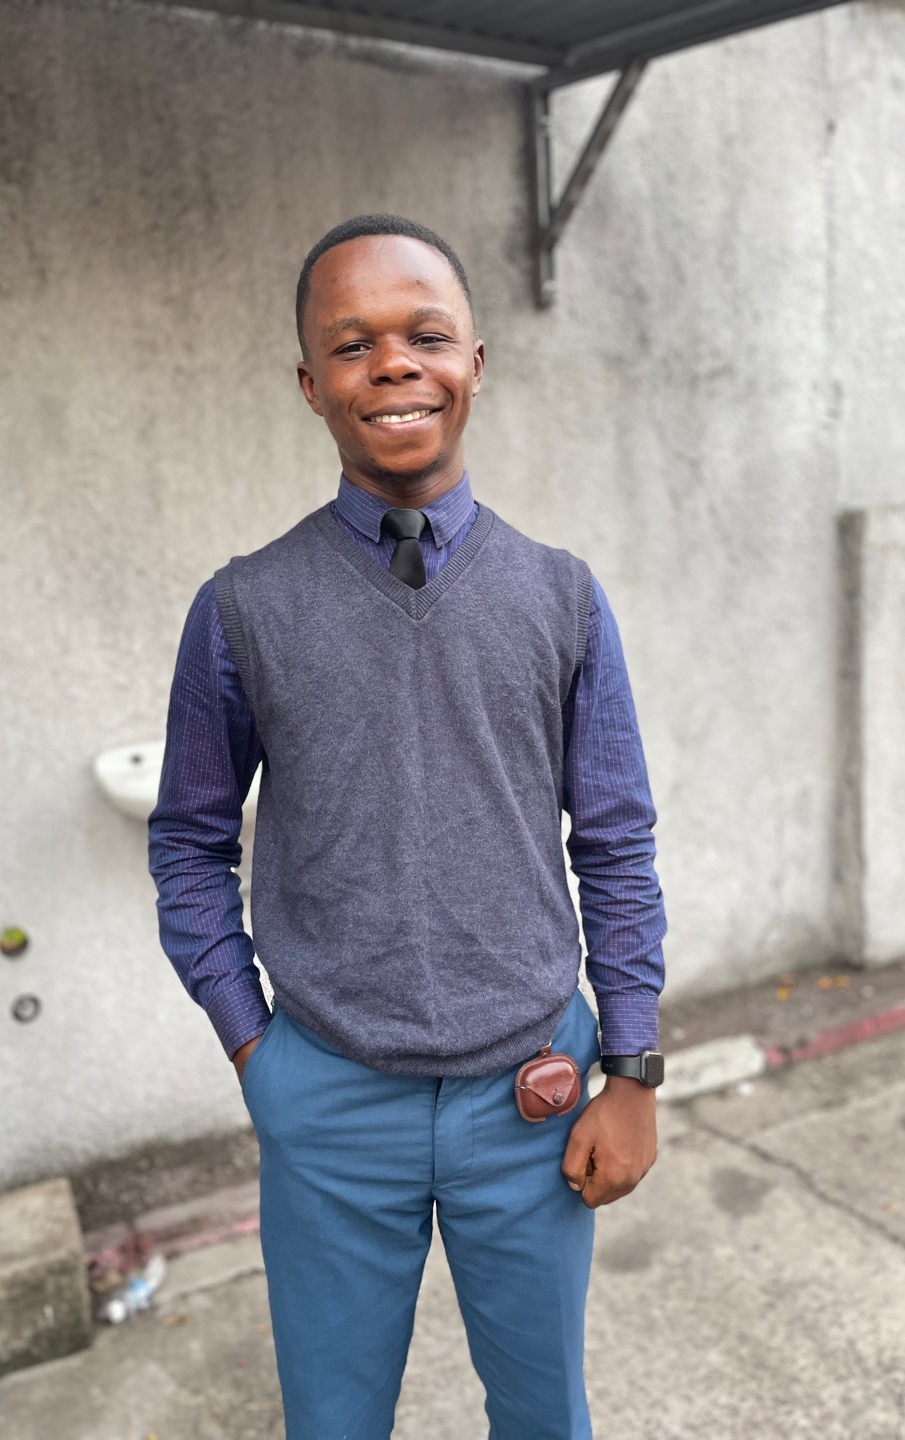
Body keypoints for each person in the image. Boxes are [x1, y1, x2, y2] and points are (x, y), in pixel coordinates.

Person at [148, 213, 667, 1440]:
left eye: (425, 335)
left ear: (474, 361)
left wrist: (634, 1064)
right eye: (353, 344)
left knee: (546, 1419)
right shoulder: (243, 608)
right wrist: (255, 1051)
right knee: (333, 1423)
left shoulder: (561, 595)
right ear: (311, 384)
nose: (393, 364)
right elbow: (188, 844)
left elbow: (615, 839)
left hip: (532, 1094)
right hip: (326, 1097)